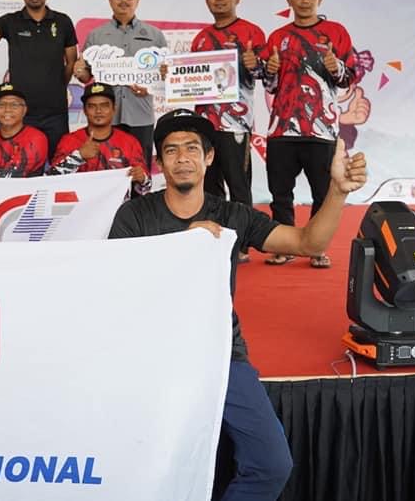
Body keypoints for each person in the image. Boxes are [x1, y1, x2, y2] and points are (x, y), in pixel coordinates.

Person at [109, 108, 367, 501]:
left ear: (209, 157)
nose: (183, 158)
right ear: (159, 162)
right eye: (172, 150)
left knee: (272, 464)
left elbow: (308, 243)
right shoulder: (135, 215)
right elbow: (119, 285)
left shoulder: (231, 214)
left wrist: (338, 191)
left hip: (221, 354)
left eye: (192, 149)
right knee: (143, 464)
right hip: (153, 356)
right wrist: (183, 245)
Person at [261, 0, 357, 268]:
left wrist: (335, 66)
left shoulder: (336, 32)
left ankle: (317, 247)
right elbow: (270, 86)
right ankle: (283, 246)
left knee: (323, 193)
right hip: (281, 129)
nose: (305, 0)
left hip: (321, 130)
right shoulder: (278, 37)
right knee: (280, 194)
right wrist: (271, 70)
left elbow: (348, 79)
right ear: (289, 1)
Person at [190, 0, 268, 263]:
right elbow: (189, 78)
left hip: (236, 123)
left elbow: (267, 75)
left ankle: (243, 243)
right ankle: (216, 240)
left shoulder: (252, 32)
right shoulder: (200, 38)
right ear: (207, 0)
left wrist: (254, 64)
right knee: (209, 186)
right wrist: (171, 74)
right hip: (204, 125)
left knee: (238, 186)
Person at [0, 0, 78, 159]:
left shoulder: (63, 22)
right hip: (22, 113)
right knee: (23, 166)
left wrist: (56, 85)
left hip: (55, 113)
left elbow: (71, 62)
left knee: (59, 164)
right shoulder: (10, 21)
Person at [76, 0, 167, 162]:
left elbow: (165, 79)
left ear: (137, 0)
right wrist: (79, 70)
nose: (124, 0)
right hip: (106, 118)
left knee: (140, 169)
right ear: (110, 0)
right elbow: (86, 77)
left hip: (141, 114)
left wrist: (153, 85)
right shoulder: (96, 35)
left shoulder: (155, 35)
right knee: (107, 168)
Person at [48, 83, 150, 196]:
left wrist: (142, 179)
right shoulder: (69, 140)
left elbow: (145, 188)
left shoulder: (130, 142)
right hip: (80, 206)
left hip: (119, 206)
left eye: (104, 105)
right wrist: (79, 156)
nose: (98, 111)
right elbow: (51, 181)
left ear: (114, 109)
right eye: (92, 106)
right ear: (84, 110)